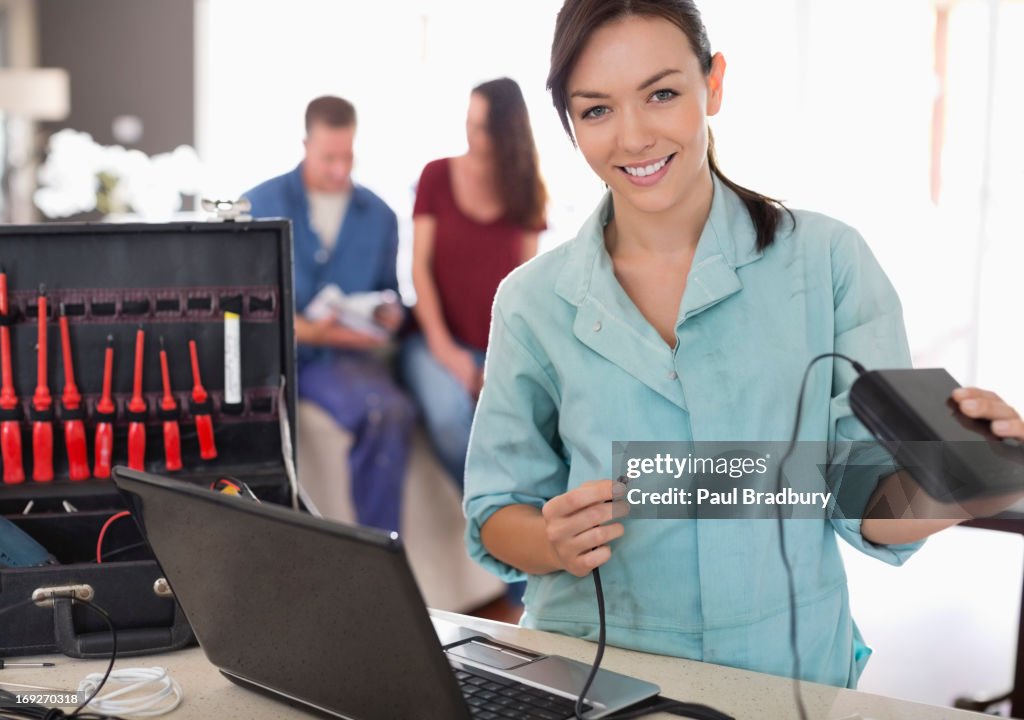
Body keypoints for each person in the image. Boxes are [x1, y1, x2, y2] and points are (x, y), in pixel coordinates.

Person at [463, 0, 1024, 689]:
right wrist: (549, 538)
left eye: (662, 93)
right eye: (596, 110)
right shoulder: (531, 299)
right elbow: (495, 512)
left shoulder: (830, 262)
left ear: (714, 84)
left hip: (780, 673)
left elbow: (866, 502)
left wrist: (966, 481)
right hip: (587, 672)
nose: (633, 137)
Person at [244, 95, 414, 532]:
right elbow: (242, 302)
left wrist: (389, 315)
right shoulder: (257, 204)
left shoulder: (380, 216)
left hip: (346, 360)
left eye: (348, 156)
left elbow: (388, 293)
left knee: (389, 411)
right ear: (305, 145)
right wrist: (306, 330)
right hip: (273, 356)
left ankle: (382, 551)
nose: (340, 169)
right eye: (328, 158)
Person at [400, 78, 546, 487]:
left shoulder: (527, 188)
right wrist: (446, 351)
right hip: (432, 342)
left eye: (481, 126)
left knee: (535, 424)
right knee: (450, 416)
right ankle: (495, 514)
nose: (471, 133)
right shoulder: (436, 176)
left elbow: (526, 286)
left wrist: (497, 363)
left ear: (506, 131)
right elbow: (419, 269)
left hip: (499, 346)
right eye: (468, 121)